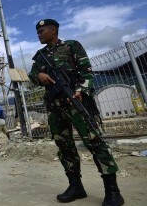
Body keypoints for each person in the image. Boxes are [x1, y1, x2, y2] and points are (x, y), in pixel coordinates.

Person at [29, 19, 124, 206]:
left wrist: (81, 90)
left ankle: (113, 191)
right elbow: (32, 76)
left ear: (53, 30)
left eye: (42, 31)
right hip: (55, 107)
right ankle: (76, 186)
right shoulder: (40, 56)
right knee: (64, 147)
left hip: (75, 100)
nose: (38, 34)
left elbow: (87, 72)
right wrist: (39, 76)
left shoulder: (72, 46)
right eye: (37, 31)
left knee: (95, 143)